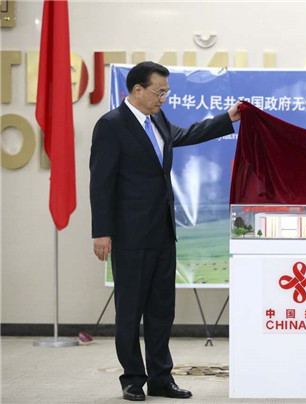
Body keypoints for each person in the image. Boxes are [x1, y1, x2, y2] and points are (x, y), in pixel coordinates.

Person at [89, 61, 241, 401]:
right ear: (137, 90)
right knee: (130, 311)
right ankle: (132, 379)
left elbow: (184, 135)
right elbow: (101, 182)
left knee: (161, 310)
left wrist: (226, 119)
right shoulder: (111, 125)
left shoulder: (156, 119)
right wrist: (101, 232)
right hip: (129, 234)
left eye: (166, 92)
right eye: (160, 92)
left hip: (162, 231)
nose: (164, 98)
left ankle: (161, 378)